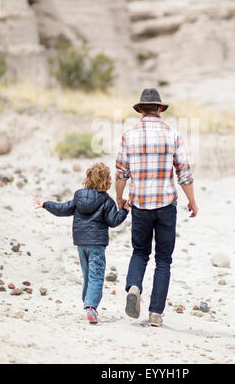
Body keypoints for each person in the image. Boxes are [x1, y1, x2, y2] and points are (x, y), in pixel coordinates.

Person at [115, 88, 198, 327]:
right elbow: (184, 173)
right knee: (163, 259)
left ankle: (133, 286)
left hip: (140, 204)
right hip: (166, 206)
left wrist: (120, 198)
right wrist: (192, 201)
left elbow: (121, 172)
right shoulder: (172, 135)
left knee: (140, 252)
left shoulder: (128, 136)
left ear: (140, 109)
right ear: (160, 109)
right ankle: (155, 314)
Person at [34, 162, 130, 324]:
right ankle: (91, 308)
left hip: (81, 243)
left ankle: (88, 304)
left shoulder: (78, 197)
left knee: (87, 275)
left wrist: (45, 204)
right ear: (106, 181)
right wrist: (125, 211)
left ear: (88, 178)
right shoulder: (107, 201)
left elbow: (62, 209)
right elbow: (113, 221)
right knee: (96, 276)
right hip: (96, 244)